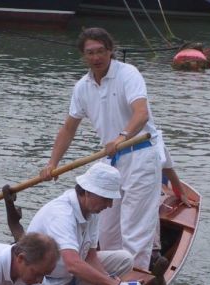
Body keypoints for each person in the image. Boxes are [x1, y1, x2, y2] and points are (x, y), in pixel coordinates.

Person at [40, 27, 162, 271]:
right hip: (111, 160)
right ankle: (109, 283)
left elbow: (141, 113)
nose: (96, 58)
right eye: (90, 53)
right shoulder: (82, 87)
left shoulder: (128, 74)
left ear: (110, 51)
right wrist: (52, 164)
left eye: (100, 52)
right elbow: (68, 129)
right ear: (83, 56)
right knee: (105, 230)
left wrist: (122, 136)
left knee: (134, 231)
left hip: (140, 154)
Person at [28, 162, 143, 285]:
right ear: (88, 192)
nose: (110, 205)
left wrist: (109, 280)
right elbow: (72, 263)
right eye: (106, 199)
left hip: (68, 276)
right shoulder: (61, 214)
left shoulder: (91, 211)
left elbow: (90, 255)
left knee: (124, 260)